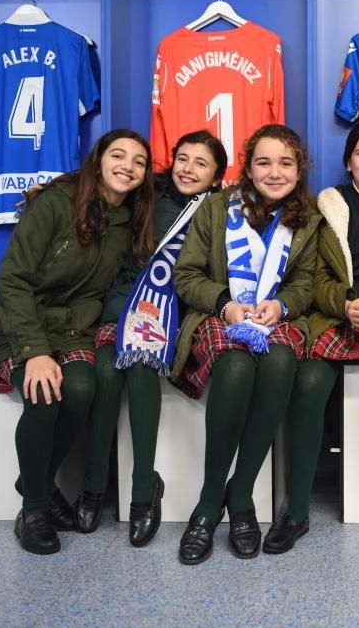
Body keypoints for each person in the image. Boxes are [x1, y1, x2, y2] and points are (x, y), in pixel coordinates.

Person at [0, 129, 156, 555]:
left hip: (74, 332)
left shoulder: (131, 221)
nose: (127, 165)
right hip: (22, 328)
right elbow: (12, 280)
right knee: (44, 395)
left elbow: (180, 185)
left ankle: (32, 475)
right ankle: (34, 508)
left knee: (82, 388)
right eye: (118, 155)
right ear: (97, 161)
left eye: (139, 161)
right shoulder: (56, 204)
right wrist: (34, 352)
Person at [264, 119, 359, 555]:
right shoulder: (326, 208)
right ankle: (296, 510)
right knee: (310, 384)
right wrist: (346, 303)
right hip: (337, 319)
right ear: (348, 162)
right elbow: (311, 278)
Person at [171, 124, 321, 564]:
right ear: (248, 168)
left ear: (299, 169)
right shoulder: (217, 208)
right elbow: (187, 275)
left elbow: (305, 283)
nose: (275, 172)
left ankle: (241, 495)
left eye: (285, 163)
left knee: (278, 363)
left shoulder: (308, 217)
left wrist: (282, 306)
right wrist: (225, 305)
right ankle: (209, 500)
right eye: (264, 162)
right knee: (235, 369)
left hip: (276, 319)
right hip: (223, 313)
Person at [76, 131, 228, 546]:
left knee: (141, 367)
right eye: (182, 158)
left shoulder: (220, 209)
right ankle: (94, 482)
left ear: (217, 175)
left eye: (201, 163)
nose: (188, 168)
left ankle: (143, 488)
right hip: (126, 302)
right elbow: (95, 183)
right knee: (106, 373)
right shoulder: (146, 193)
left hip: (176, 310)